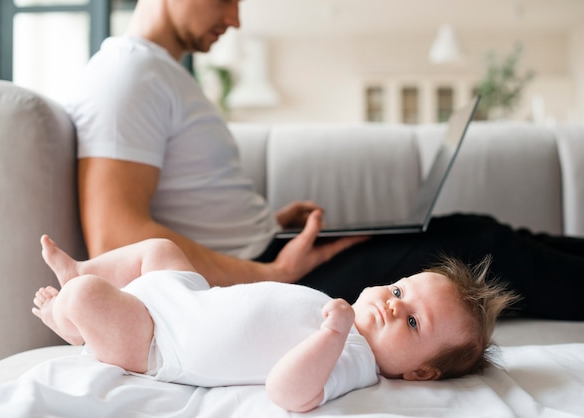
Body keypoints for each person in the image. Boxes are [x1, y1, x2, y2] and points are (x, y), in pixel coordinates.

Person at [65, 0, 584, 321]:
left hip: (268, 256)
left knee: (476, 229)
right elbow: (117, 239)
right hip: (264, 279)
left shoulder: (159, 74)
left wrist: (270, 227)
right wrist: (268, 269)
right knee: (483, 251)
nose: (235, 17)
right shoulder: (127, 76)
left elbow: (186, 206)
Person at [32, 235, 517, 412]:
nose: (392, 306)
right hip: (189, 300)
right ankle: (82, 267)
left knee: (87, 298)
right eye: (398, 291)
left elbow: (289, 393)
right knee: (159, 250)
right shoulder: (343, 314)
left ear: (420, 372)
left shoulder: (354, 358)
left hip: (161, 342)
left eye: (412, 323)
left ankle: (70, 319)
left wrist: (331, 334)